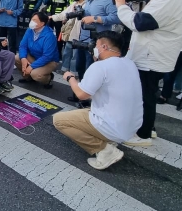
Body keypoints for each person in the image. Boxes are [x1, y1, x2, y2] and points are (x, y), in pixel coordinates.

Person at [114, 0, 182, 146]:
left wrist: (121, 8)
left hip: (152, 56)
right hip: (152, 53)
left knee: (144, 95)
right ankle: (148, 128)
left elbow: (140, 22)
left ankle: (143, 134)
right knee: (147, 93)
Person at [54, 31, 143, 170]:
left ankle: (104, 150)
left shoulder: (100, 67)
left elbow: (81, 95)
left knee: (59, 120)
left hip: (113, 127)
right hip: (132, 127)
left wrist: (70, 78)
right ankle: (108, 140)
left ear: (104, 47)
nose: (94, 48)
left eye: (96, 45)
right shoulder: (130, 63)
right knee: (87, 111)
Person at [76, 0, 120, 81]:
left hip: (97, 42)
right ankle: (81, 91)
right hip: (83, 39)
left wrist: (94, 19)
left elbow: (116, 18)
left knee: (91, 70)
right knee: (79, 67)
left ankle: (89, 95)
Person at [15, 12, 60, 88]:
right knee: (17, 57)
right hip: (34, 56)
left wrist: (31, 66)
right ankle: (28, 78)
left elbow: (47, 56)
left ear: (42, 23)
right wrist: (23, 58)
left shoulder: (49, 35)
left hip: (49, 61)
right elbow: (23, 46)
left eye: (35, 20)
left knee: (36, 74)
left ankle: (48, 79)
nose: (31, 22)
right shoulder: (30, 30)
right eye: (32, 19)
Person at [50, 0, 85, 75]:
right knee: (67, 52)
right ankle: (64, 69)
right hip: (70, 32)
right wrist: (52, 17)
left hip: (78, 33)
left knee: (75, 55)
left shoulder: (86, 5)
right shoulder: (73, 4)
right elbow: (63, 14)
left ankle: (74, 72)